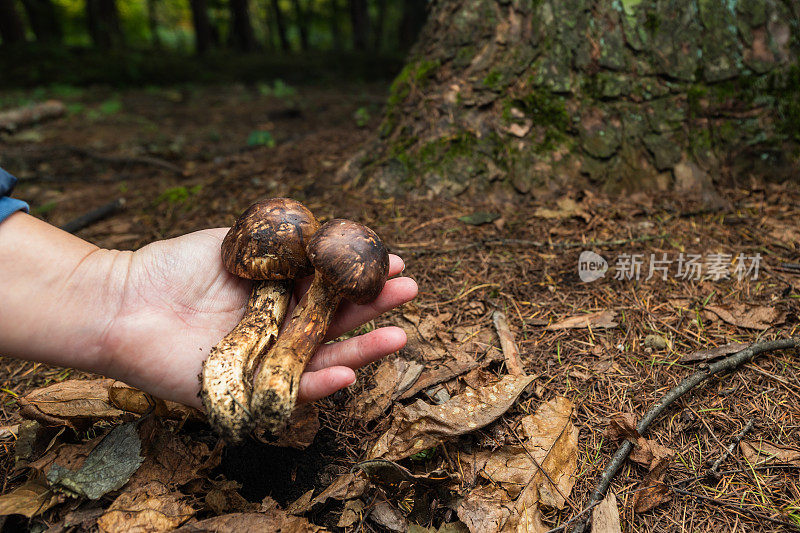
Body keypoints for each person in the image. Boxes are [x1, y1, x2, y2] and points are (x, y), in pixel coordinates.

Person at [0, 167, 417, 409]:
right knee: (263, 332)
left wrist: (116, 289)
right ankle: (256, 390)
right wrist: (122, 289)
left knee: (297, 332)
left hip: (299, 305)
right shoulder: (287, 247)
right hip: (260, 302)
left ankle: (271, 388)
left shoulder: (323, 257)